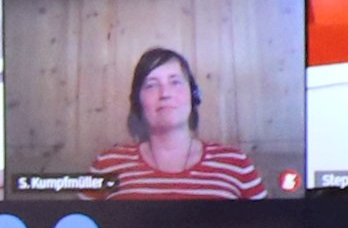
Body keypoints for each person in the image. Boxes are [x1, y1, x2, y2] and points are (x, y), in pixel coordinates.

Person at [91, 47, 264, 197]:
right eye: (151, 85)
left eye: (175, 82)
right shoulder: (108, 165)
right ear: (138, 102)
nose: (165, 93)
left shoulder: (235, 163)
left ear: (193, 95)